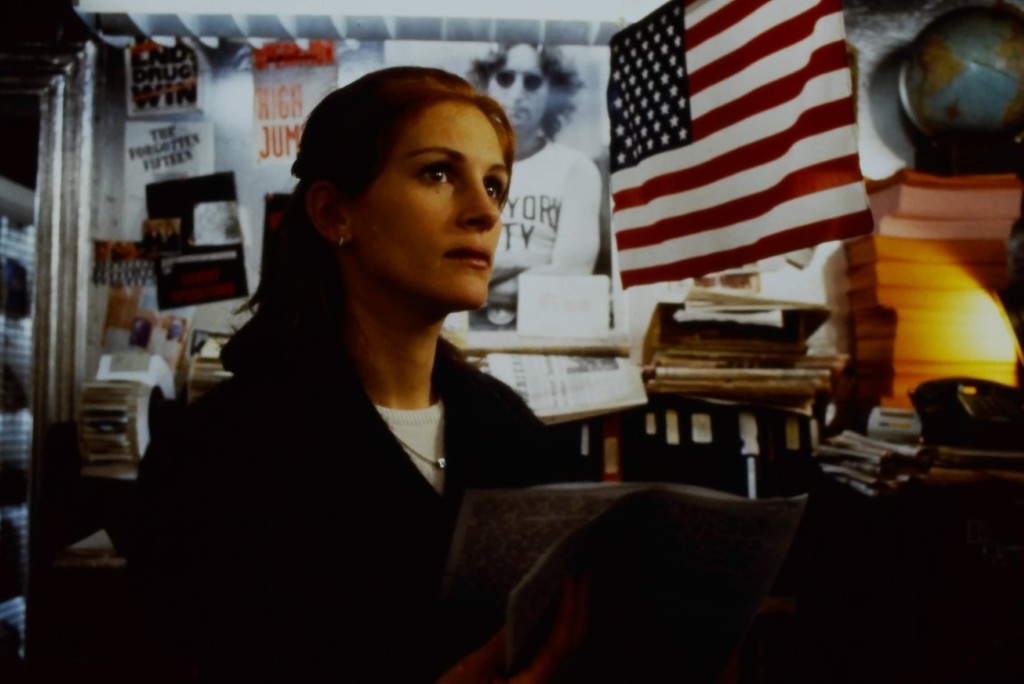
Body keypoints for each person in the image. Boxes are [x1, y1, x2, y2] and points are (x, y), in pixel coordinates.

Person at [125, 66, 586, 683]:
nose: (484, 212)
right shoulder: (218, 454)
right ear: (334, 213)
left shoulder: (511, 431)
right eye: (438, 173)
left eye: (495, 185)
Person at [467, 44, 604, 330]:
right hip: (464, 329)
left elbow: (573, 273)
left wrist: (474, 288)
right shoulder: (462, 166)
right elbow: (437, 270)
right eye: (506, 78)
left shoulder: (576, 168)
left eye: (532, 82)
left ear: (551, 92)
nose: (517, 93)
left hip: (547, 326)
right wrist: (529, 268)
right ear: (486, 84)